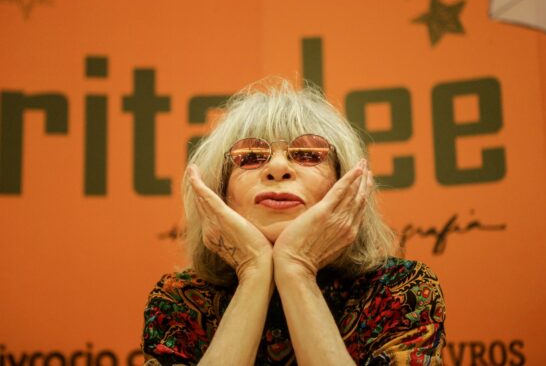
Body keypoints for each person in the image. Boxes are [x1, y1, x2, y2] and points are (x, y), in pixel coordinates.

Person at [142, 79, 446, 365]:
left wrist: (296, 266)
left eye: (308, 154)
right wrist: (254, 269)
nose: (277, 168)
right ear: (219, 190)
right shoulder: (179, 299)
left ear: (346, 183)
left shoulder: (400, 290)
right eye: (250, 156)